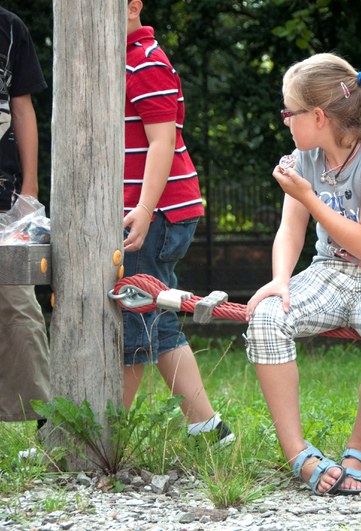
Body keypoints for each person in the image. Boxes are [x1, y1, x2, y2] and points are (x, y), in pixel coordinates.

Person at [245, 52, 361, 496]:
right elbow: (291, 230)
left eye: (290, 113)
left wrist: (309, 195)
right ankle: (297, 453)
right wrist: (281, 278)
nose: (285, 121)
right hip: (329, 272)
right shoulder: (304, 159)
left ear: (319, 115)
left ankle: (357, 451)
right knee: (266, 317)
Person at [123, 0, 233, 445]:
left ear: (133, 7)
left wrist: (145, 211)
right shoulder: (117, 61)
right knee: (149, 317)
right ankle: (208, 428)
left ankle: (99, 432)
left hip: (157, 213)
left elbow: (162, 141)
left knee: (134, 317)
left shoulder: (145, 61)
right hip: (146, 210)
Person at [0, 7, 51, 427]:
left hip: (3, 197)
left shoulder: (10, 28)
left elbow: (23, 107)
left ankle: (45, 418)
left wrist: (29, 189)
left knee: (19, 305)